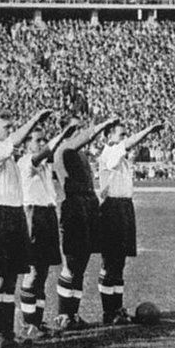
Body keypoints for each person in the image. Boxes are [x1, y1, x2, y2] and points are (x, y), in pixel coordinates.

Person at [0, 109, 52, 348]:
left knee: (10, 278)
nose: (10, 130)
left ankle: (7, 332)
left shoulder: (7, 157)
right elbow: (15, 141)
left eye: (12, 126)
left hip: (15, 214)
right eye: (6, 127)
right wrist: (33, 120)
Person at [53, 116, 119, 330]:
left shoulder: (78, 152)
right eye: (74, 128)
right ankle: (64, 314)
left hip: (88, 205)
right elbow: (80, 140)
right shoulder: (63, 149)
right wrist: (101, 125)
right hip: (74, 207)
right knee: (72, 263)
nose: (79, 131)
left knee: (81, 263)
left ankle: (73, 314)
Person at [97, 121, 164, 320]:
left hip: (124, 207)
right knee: (111, 262)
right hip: (112, 208)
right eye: (121, 134)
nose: (125, 138)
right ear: (109, 136)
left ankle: (117, 309)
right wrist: (148, 130)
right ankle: (109, 312)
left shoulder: (121, 157)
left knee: (119, 263)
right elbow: (128, 144)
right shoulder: (110, 153)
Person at [17, 123, 76, 340]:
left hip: (47, 214)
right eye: (37, 140)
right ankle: (28, 324)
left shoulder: (43, 164)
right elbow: (43, 155)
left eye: (44, 139)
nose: (42, 143)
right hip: (33, 215)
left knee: (42, 272)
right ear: (26, 145)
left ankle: (37, 322)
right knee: (32, 272)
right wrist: (60, 136)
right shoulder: (25, 162)